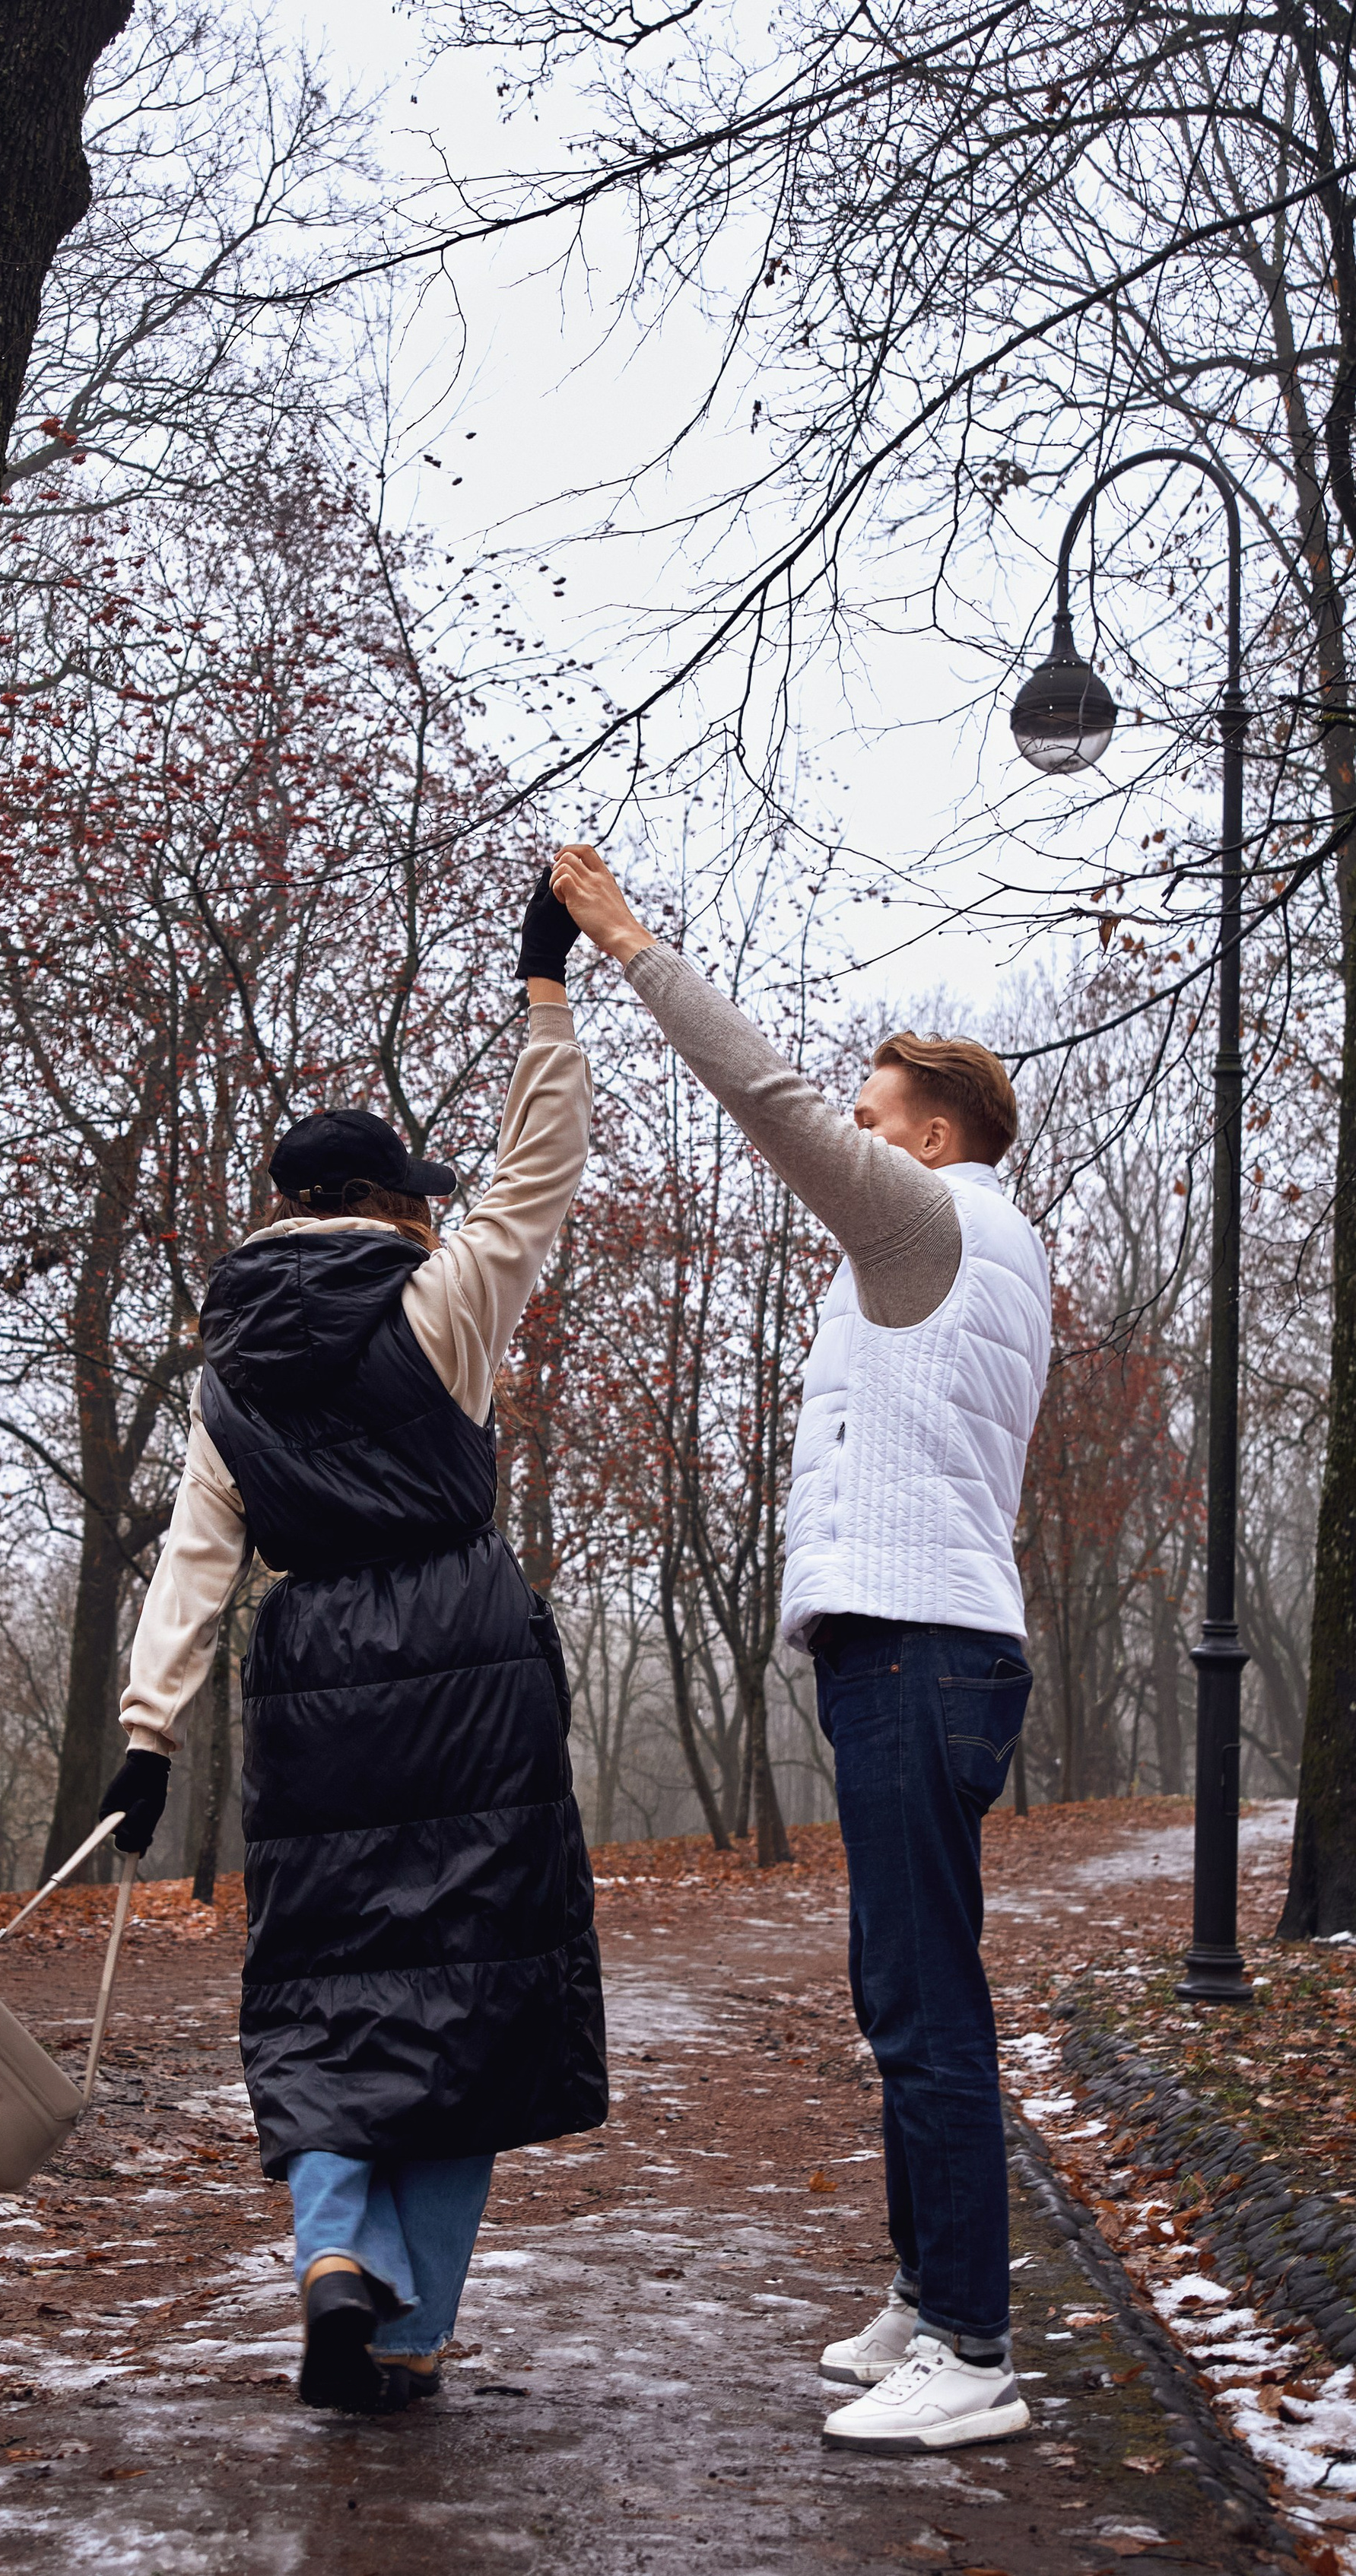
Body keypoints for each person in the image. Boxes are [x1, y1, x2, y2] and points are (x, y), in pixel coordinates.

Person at [549, 844, 1050, 2455]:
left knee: (922, 1998)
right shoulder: (958, 1249)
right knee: (898, 1981)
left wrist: (623, 944)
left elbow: (761, 1098)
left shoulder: (933, 1231)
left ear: (931, 1129)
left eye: (873, 1101)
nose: (849, 1116)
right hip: (915, 1648)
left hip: (921, 1649)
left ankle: (968, 2346)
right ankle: (926, 2291)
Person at [100, 881, 605, 2415]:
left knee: (324, 1985)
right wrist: (541, 988)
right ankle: (404, 2329)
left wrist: (146, 1737)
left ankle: (334, 2252)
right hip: (462, 1662)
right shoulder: (441, 1300)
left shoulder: (226, 1380)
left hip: (311, 1673)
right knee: (468, 2001)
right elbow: (543, 1166)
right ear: (396, 1206)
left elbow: (195, 1560)